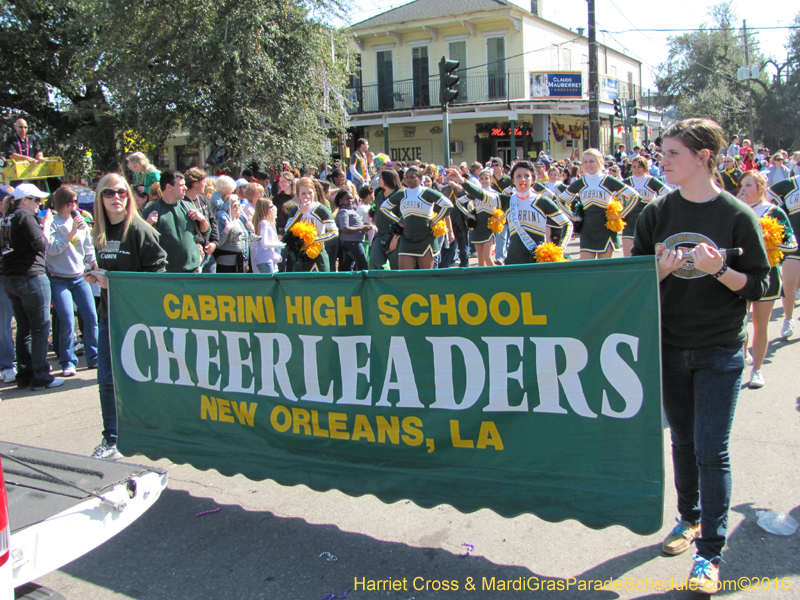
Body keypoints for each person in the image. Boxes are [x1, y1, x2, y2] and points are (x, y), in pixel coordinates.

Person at [631, 118, 770, 593]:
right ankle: (687, 519)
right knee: (684, 443)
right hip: (669, 347)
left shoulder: (736, 214)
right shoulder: (655, 213)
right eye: (662, 153)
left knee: (713, 450)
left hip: (720, 350)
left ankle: (711, 553)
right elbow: (631, 279)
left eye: (671, 153)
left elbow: (762, 284)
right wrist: (660, 273)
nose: (661, 161)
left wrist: (720, 271)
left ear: (703, 157)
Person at [83, 174, 167, 460]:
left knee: (145, 378)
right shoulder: (100, 232)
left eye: (121, 192)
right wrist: (97, 278)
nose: (116, 198)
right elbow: (114, 271)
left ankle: (156, 430)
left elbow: (158, 277)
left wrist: (114, 283)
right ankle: (112, 439)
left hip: (139, 319)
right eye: (109, 193)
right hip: (110, 316)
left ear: (129, 196)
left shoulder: (140, 230)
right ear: (100, 198)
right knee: (106, 379)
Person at [736, 170, 796, 388]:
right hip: (739, 275)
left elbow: (791, 244)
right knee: (739, 323)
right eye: (741, 186)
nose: (743, 190)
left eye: (749, 186)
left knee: (760, 325)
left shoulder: (774, 211)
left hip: (767, 274)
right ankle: (743, 357)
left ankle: (757, 370)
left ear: (761, 187)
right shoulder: (734, 210)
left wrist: (769, 242)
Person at [1, 183, 64, 391]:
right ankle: (41, 376)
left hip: (11, 277)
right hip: (31, 276)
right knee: (39, 328)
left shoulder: (7, 218)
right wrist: (46, 224)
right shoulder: (24, 217)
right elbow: (42, 244)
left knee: (24, 328)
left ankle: (25, 375)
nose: (40, 204)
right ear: (24, 200)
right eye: (36, 200)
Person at [448, 160, 573, 265]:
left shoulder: (542, 201)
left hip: (537, 259)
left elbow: (568, 224)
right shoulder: (507, 200)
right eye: (518, 176)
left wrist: (560, 249)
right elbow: (481, 194)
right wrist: (462, 181)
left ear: (533, 179)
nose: (522, 179)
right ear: (512, 180)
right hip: (514, 260)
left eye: (527, 176)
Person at [46, 186, 99, 377]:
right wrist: (71, 231)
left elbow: (87, 246)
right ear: (61, 203)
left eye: (75, 202)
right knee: (67, 320)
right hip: (59, 279)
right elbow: (51, 249)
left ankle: (94, 356)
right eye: (70, 202)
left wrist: (93, 264)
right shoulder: (53, 222)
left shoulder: (80, 221)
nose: (74, 206)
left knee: (91, 318)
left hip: (80, 278)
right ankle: (68, 361)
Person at [558, 149, 640, 260]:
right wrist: (572, 216)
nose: (588, 164)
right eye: (585, 161)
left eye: (591, 161)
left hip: (606, 230)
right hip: (587, 231)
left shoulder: (608, 180)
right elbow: (560, 200)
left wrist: (620, 214)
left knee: (603, 270)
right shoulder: (581, 182)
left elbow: (634, 196)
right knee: (587, 268)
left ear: (599, 161)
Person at [380, 166, 452, 270]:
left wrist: (435, 220)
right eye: (407, 177)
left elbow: (448, 205)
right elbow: (384, 207)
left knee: (425, 276)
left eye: (412, 177)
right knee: (405, 276)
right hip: (407, 239)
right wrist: (398, 221)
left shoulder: (427, 192)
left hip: (426, 239)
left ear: (420, 178)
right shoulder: (402, 193)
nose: (409, 179)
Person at [142, 170, 209, 273]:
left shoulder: (189, 207)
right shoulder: (151, 211)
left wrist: (202, 220)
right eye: (181, 185)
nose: (185, 188)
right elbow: (140, 241)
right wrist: (147, 224)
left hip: (192, 271)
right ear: (168, 187)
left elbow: (205, 232)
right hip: (167, 274)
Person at [767, 173, 800, 338]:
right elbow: (765, 197)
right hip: (794, 241)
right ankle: (788, 318)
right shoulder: (790, 184)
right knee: (788, 282)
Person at [284, 177, 338, 272]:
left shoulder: (321, 209)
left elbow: (334, 232)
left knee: (320, 284)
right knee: (301, 285)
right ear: (298, 195)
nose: (307, 196)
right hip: (300, 256)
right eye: (303, 193)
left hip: (318, 254)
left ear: (314, 192)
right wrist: (300, 213)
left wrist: (313, 239)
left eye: (310, 192)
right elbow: (287, 230)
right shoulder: (295, 211)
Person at [621, 156, 668, 256]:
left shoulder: (651, 181)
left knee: (647, 254)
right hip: (629, 220)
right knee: (628, 257)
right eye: (634, 167)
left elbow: (668, 193)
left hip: (647, 220)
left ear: (645, 168)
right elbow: (614, 196)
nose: (636, 169)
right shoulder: (626, 182)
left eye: (639, 167)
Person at [453, 169, 500, 267]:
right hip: (477, 226)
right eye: (481, 178)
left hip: (489, 226)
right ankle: (482, 281)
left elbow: (504, 207)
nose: (484, 181)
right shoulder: (477, 193)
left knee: (487, 256)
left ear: (491, 179)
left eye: (486, 178)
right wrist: (468, 214)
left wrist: (499, 218)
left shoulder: (495, 193)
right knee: (481, 259)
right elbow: (459, 202)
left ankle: (495, 278)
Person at [184, 167, 219, 273]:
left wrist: (214, 243)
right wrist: (201, 244)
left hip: (209, 253)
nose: (206, 185)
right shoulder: (182, 202)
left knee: (211, 288)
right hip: (195, 253)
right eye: (203, 182)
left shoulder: (202, 199)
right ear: (195, 183)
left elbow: (213, 222)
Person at [369, 169, 402, 270]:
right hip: (380, 235)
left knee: (396, 266)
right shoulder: (380, 195)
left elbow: (402, 220)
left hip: (395, 236)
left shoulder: (400, 195)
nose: (378, 179)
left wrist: (395, 239)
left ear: (388, 179)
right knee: (374, 261)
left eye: (381, 178)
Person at [335, 189, 372, 271]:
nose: (350, 200)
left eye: (351, 198)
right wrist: (362, 228)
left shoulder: (350, 210)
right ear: (341, 200)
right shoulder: (343, 212)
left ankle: (348, 282)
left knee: (347, 267)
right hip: (351, 242)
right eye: (347, 199)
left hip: (352, 241)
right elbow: (345, 229)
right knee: (363, 265)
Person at [214, 194, 247, 273]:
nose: (238, 207)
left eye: (239, 205)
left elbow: (244, 241)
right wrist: (227, 229)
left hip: (240, 262)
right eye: (234, 205)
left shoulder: (239, 221)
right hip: (225, 263)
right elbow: (218, 242)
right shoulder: (222, 220)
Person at [251, 198, 284, 274]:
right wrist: (279, 244)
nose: (273, 208)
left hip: (267, 258)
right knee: (269, 283)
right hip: (264, 259)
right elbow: (264, 244)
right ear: (264, 209)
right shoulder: (264, 223)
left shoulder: (266, 222)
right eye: (270, 207)